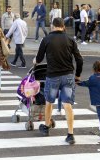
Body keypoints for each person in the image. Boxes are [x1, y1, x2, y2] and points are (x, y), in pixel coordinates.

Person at [34, 17, 83, 145]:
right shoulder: (70, 40)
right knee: (68, 105)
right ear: (63, 27)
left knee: (49, 102)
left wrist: (35, 61)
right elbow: (79, 60)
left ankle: (46, 127)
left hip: (52, 77)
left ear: (53, 26)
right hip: (68, 76)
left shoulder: (46, 39)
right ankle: (70, 135)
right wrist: (77, 75)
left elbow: (38, 59)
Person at [77, 60, 100, 140]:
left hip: (97, 100)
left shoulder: (92, 78)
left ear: (94, 68)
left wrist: (77, 81)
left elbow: (84, 83)